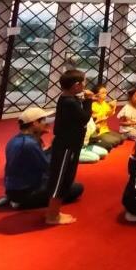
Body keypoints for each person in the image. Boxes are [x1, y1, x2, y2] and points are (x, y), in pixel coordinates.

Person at [3, 106, 83, 210]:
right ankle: (21, 202)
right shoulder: (29, 144)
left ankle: (14, 198)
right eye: (44, 120)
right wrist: (58, 148)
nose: (48, 124)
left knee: (64, 183)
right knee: (76, 187)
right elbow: (49, 168)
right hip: (26, 191)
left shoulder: (16, 140)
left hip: (15, 188)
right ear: (34, 123)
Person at [45, 71, 94, 226]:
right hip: (67, 146)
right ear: (76, 85)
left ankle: (54, 211)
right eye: (83, 82)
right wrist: (89, 100)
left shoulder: (68, 99)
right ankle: (52, 216)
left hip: (69, 145)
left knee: (66, 178)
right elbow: (84, 118)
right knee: (61, 179)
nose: (85, 85)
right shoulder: (70, 102)